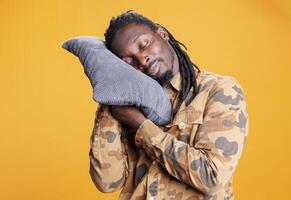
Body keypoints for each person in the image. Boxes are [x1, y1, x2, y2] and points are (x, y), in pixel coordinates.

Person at [89, 10, 249, 200]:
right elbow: (107, 182)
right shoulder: (126, 105)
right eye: (128, 60)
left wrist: (141, 126)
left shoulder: (219, 90)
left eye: (144, 44)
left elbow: (211, 177)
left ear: (162, 34)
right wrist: (111, 97)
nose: (142, 59)